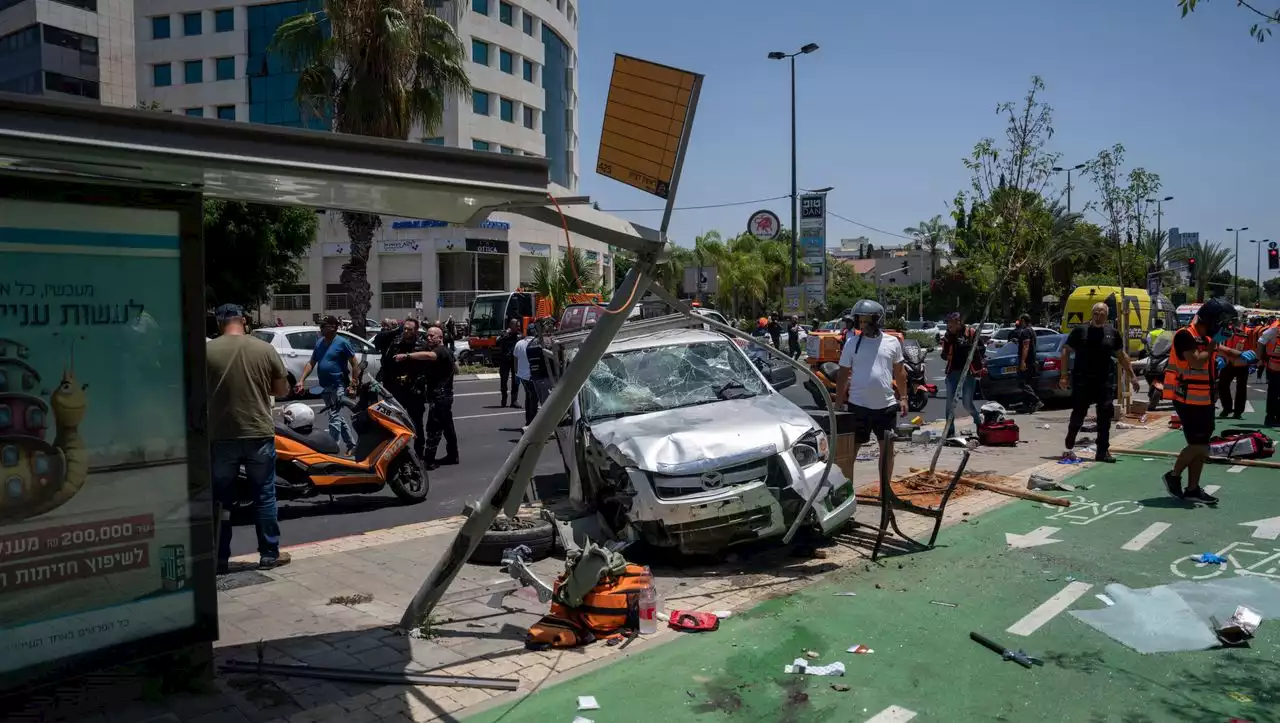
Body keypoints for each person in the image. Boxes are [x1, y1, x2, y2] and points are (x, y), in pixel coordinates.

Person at [205, 304, 290, 573]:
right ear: (243, 320)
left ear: (219, 323)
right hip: (258, 432)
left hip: (221, 434)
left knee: (221, 499)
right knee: (264, 495)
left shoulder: (206, 351)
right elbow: (281, 389)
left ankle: (219, 559)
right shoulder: (264, 349)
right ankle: (268, 554)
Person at [1162, 299, 1256, 503]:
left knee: (1200, 445)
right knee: (1200, 445)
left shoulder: (1205, 336)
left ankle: (1193, 488)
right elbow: (1196, 360)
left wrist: (1246, 357)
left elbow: (1226, 352)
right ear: (1213, 319)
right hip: (1187, 398)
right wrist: (1214, 345)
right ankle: (1173, 476)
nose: (1225, 326)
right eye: (1223, 321)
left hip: (1204, 399)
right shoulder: (1185, 335)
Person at [834, 299, 908, 481]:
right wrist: (838, 403)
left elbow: (900, 372)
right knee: (850, 452)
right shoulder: (852, 343)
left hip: (886, 407)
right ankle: (847, 491)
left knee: (888, 451)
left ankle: (885, 494)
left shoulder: (892, 342)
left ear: (878, 320)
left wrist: (904, 397)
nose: (862, 325)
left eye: (867, 321)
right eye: (860, 320)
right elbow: (843, 374)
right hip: (859, 406)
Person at [1058, 302, 1139, 463]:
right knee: (1079, 413)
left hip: (1104, 381)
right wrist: (1064, 375)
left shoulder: (1112, 333)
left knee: (1105, 416)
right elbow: (1066, 350)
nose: (1098, 315)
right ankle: (1072, 432)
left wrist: (1132, 375)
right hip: (1083, 379)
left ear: (1106, 316)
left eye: (1102, 313)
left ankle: (1102, 451)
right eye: (1096, 312)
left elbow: (1121, 355)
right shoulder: (1080, 331)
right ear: (1092, 314)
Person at [294, 315, 360, 454]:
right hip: (325, 386)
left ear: (333, 327)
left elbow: (355, 364)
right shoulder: (319, 342)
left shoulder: (343, 343)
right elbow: (312, 362)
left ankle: (331, 451)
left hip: (338, 385)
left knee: (334, 418)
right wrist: (301, 380)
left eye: (323, 325)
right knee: (337, 417)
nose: (320, 328)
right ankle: (351, 445)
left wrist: (354, 384)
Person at [395, 324, 458, 468]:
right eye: (427, 335)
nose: (428, 338)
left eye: (432, 336)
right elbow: (456, 368)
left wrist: (406, 356)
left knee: (433, 428)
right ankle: (453, 455)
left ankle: (429, 460)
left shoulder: (440, 350)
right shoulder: (446, 351)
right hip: (444, 396)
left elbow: (430, 356)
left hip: (440, 397)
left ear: (440, 338)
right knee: (448, 427)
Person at [382, 318, 430, 458]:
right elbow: (385, 357)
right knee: (396, 423)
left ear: (416, 330)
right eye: (405, 329)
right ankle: (399, 454)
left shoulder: (422, 345)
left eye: (410, 329)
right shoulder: (395, 342)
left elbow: (428, 365)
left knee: (416, 424)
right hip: (397, 389)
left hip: (414, 390)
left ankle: (419, 454)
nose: (406, 332)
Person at [940, 312, 983, 437]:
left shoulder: (971, 333)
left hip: (968, 372)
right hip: (953, 372)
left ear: (958, 322)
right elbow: (944, 355)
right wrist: (948, 349)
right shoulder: (949, 336)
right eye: (948, 324)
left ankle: (978, 421)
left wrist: (971, 349)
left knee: (967, 403)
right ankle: (950, 430)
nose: (949, 326)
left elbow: (981, 349)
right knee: (950, 403)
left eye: (951, 324)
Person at [1217, 318, 1253, 419]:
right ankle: (1227, 408)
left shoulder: (1248, 332)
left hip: (1242, 363)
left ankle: (1238, 411)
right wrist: (1220, 357)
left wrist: (1253, 362)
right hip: (1228, 362)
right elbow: (1219, 344)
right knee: (1222, 385)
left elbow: (1252, 347)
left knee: (1241, 388)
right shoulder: (1226, 330)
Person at [1014, 313, 1042, 413]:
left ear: (1023, 320)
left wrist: (1022, 361)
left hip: (1027, 361)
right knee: (1028, 383)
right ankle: (1027, 406)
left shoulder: (1025, 331)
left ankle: (1036, 401)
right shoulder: (1032, 331)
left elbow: (1026, 347)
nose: (1019, 322)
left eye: (1020, 320)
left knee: (1022, 383)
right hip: (1031, 361)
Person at [496, 319, 522, 408]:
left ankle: (514, 401)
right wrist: (505, 334)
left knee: (516, 381)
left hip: (514, 361)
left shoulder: (519, 335)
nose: (518, 327)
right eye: (517, 325)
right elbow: (497, 341)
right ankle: (504, 398)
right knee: (504, 380)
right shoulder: (504, 334)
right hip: (504, 361)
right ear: (511, 325)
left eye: (519, 325)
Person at [1259, 317, 1279, 427]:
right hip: (1274, 366)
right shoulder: (1275, 328)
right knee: (1274, 393)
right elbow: (1261, 341)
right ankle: (1270, 417)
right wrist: (1260, 358)